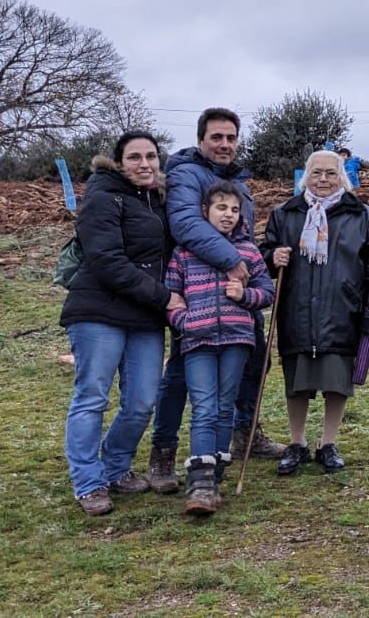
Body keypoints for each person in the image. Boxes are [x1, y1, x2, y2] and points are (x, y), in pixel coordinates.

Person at [149, 108, 285, 496]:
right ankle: (164, 452)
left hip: (237, 306)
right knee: (180, 379)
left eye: (231, 138)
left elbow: (243, 234)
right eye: (216, 137)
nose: (224, 144)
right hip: (201, 301)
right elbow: (187, 227)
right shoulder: (185, 174)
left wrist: (260, 262)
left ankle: (243, 435)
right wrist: (233, 262)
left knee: (252, 365)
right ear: (200, 140)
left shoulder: (237, 182)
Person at [59, 132, 175, 516]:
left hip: (143, 317)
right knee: (92, 397)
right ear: (118, 162)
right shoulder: (102, 198)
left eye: (151, 157)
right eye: (134, 157)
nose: (144, 164)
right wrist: (164, 297)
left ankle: (115, 466)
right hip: (98, 311)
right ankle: (89, 482)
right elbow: (107, 261)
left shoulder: (160, 201)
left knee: (143, 401)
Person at [262, 150, 369, 475]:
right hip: (297, 309)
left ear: (341, 177)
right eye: (316, 173)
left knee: (337, 379)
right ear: (306, 176)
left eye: (331, 174)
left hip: (343, 311)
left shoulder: (363, 216)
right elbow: (263, 255)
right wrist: (270, 257)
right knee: (297, 380)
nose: (323, 180)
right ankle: (297, 443)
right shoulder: (285, 214)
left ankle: (328, 443)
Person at [164, 181, 274, 514]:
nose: (227, 215)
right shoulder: (184, 252)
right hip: (197, 341)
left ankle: (216, 471)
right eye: (221, 208)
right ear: (205, 212)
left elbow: (267, 292)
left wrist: (247, 296)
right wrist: (184, 321)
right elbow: (170, 295)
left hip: (237, 340)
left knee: (225, 405)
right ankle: (200, 480)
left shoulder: (249, 252)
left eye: (234, 209)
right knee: (204, 406)